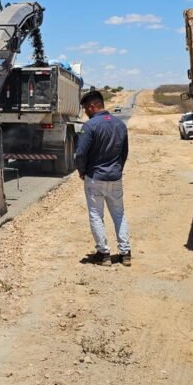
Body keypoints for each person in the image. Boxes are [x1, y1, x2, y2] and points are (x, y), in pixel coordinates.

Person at [75, 90, 131, 267]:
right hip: (115, 177)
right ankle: (125, 253)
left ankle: (104, 253)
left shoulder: (90, 126)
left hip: (95, 178)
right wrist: (117, 170)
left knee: (96, 215)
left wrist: (82, 171)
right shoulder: (120, 125)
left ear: (93, 106)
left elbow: (81, 153)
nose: (85, 112)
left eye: (85, 108)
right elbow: (124, 153)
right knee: (119, 214)